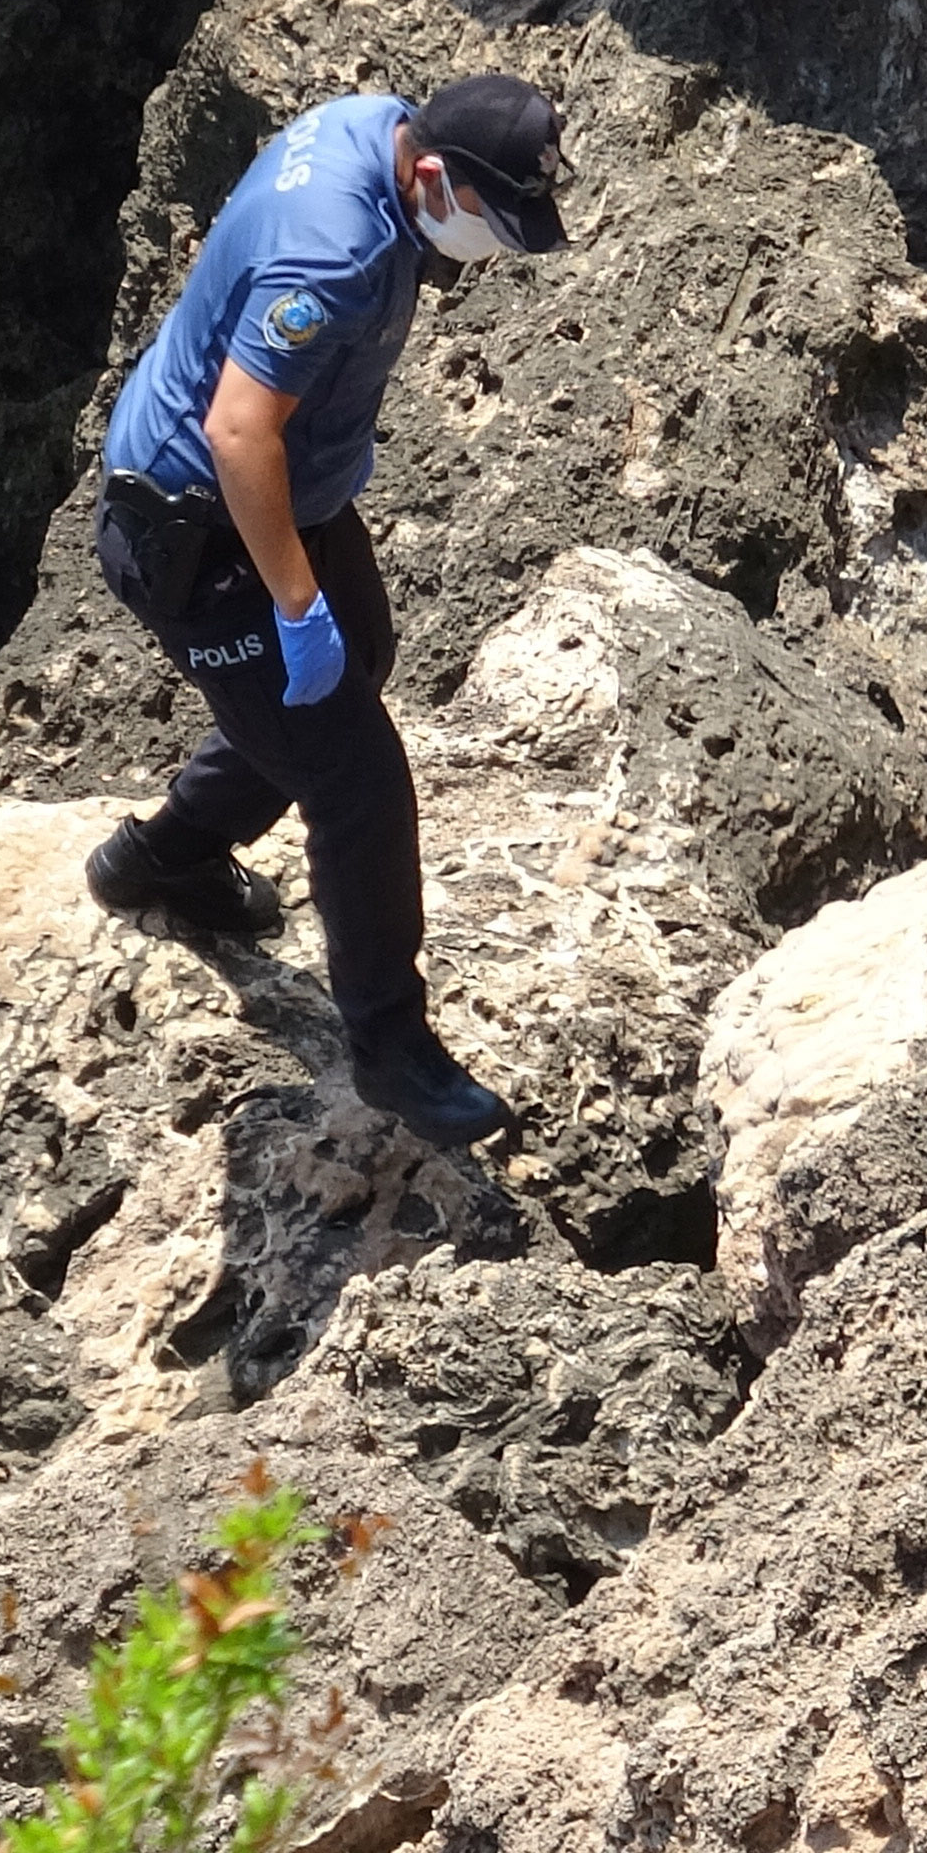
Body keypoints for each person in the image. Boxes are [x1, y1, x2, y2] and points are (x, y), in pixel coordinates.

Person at [78, 74, 569, 1148]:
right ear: (432, 176)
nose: (491, 251)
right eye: (491, 220)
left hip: (282, 495)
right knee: (355, 780)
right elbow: (240, 431)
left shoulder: (375, 125)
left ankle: (162, 858)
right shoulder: (334, 256)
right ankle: (392, 1049)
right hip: (199, 528)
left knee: (364, 656)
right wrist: (293, 603)